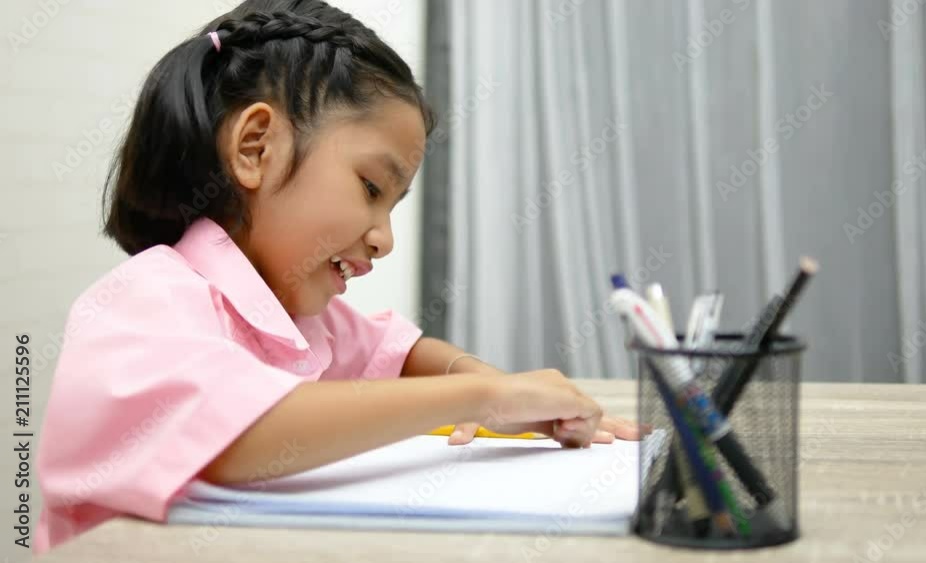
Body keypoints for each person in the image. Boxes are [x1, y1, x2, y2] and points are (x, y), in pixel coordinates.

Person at [35, 0, 640, 554]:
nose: (384, 238)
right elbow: (242, 435)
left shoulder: (293, 314)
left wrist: (493, 385)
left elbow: (400, 355)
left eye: (393, 206)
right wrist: (483, 398)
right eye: (371, 188)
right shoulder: (145, 301)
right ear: (256, 147)